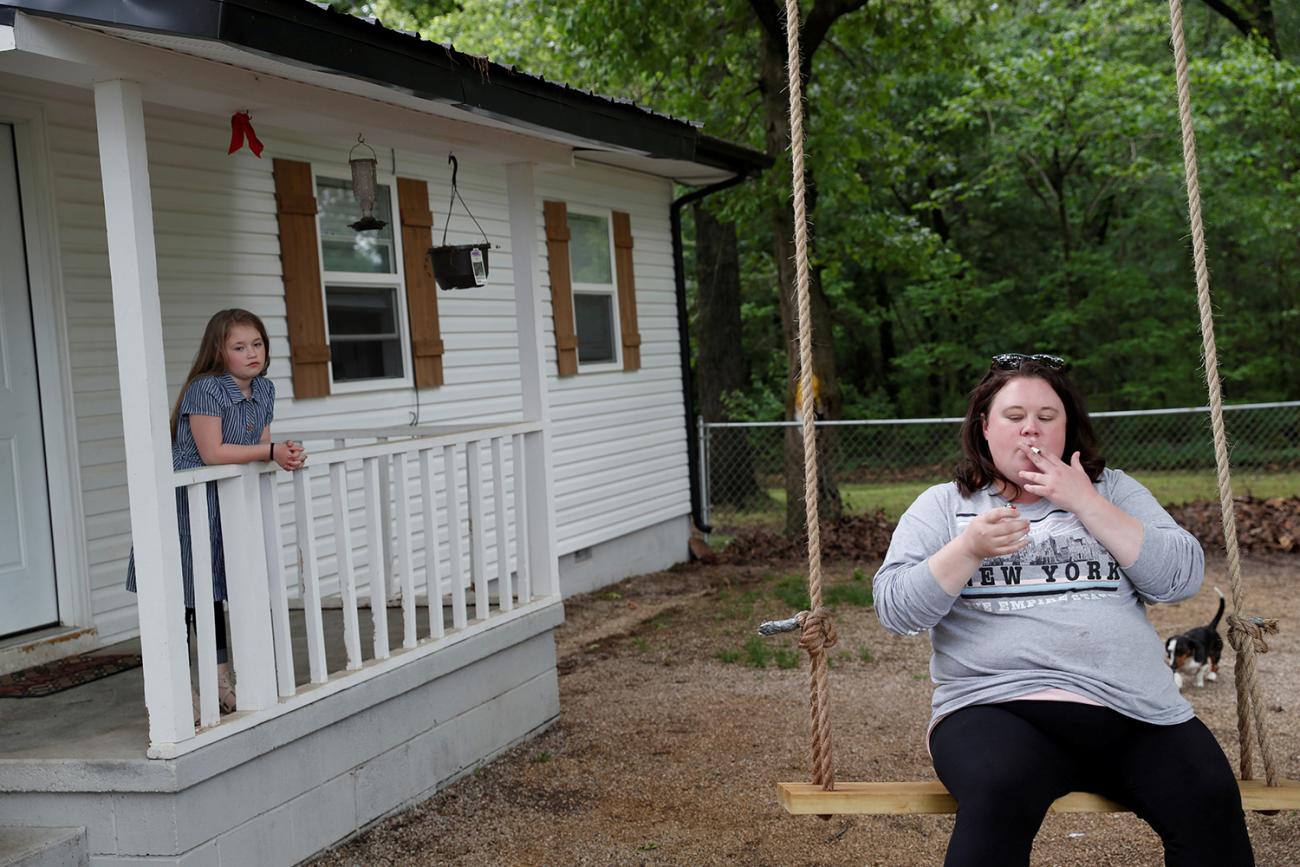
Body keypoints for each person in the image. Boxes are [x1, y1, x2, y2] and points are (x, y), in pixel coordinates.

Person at [873, 353, 1254, 867]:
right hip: (995, 708)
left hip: (1134, 710)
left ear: (1067, 428)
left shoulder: (1112, 490)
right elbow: (897, 611)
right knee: (1000, 788)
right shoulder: (944, 506)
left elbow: (1179, 580)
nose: (1031, 428)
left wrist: (1086, 502)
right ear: (984, 427)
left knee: (1208, 797)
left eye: (1047, 417)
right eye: (1014, 416)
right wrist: (966, 549)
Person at [126, 309, 306, 725]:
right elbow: (213, 453)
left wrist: (282, 454)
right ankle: (179, 686)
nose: (251, 353)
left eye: (257, 344)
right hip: (189, 503)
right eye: (239, 347)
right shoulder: (205, 389)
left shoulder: (264, 390)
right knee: (185, 595)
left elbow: (257, 446)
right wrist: (270, 451)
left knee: (219, 593)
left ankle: (220, 680)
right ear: (219, 351)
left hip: (227, 503)